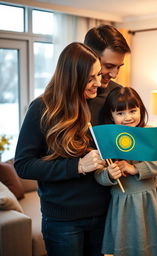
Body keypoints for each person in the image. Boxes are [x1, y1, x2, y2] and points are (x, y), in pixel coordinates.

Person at [14, 42, 109, 256]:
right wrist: (77, 166)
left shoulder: (98, 103)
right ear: (72, 78)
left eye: (99, 75)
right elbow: (23, 165)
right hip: (64, 221)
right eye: (91, 78)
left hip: (103, 214)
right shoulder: (42, 108)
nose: (99, 83)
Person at [95, 87, 157, 256]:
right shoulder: (106, 140)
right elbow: (98, 175)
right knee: (127, 247)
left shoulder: (148, 133)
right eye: (120, 113)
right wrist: (109, 174)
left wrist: (134, 168)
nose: (128, 117)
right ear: (111, 115)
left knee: (153, 246)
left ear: (141, 110)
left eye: (133, 111)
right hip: (123, 203)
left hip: (150, 198)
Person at [84, 24, 131, 126]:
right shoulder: (48, 103)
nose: (114, 75)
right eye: (109, 66)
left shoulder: (118, 94)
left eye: (119, 67)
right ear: (89, 57)